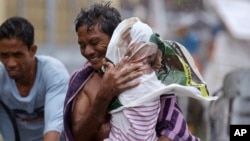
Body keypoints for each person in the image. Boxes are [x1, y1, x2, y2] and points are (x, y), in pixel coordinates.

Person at [63, 2, 216, 141]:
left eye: (95, 42)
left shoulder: (148, 75)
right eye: (82, 45)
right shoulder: (83, 82)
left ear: (117, 39)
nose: (88, 51)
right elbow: (78, 137)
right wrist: (104, 95)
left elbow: (172, 129)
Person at [0, 16, 69, 141]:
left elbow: (53, 129)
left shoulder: (54, 73)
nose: (10, 63)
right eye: (4, 55)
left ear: (32, 50)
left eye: (17, 55)